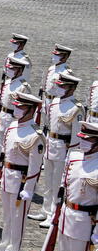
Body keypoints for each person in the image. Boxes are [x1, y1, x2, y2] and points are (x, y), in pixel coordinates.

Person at [33, 121, 98, 251]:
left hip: (85, 219)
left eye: (88, 140)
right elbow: (64, 187)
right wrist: (58, 212)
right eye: (82, 139)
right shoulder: (75, 157)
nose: (83, 143)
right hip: (67, 214)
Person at [0, 92, 44, 251]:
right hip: (8, 175)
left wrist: (29, 188)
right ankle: (3, 247)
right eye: (16, 105)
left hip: (21, 180)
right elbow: (5, 153)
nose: (17, 108)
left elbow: (35, 166)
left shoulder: (35, 135)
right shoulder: (12, 126)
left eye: (21, 106)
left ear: (32, 110)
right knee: (7, 216)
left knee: (18, 219)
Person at [38, 73, 84, 227]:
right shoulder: (54, 103)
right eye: (60, 85)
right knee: (48, 181)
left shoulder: (76, 108)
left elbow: (76, 138)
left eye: (64, 86)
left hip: (63, 149)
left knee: (57, 183)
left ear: (72, 88)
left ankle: (53, 213)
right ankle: (45, 209)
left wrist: (70, 157)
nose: (60, 88)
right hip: (51, 144)